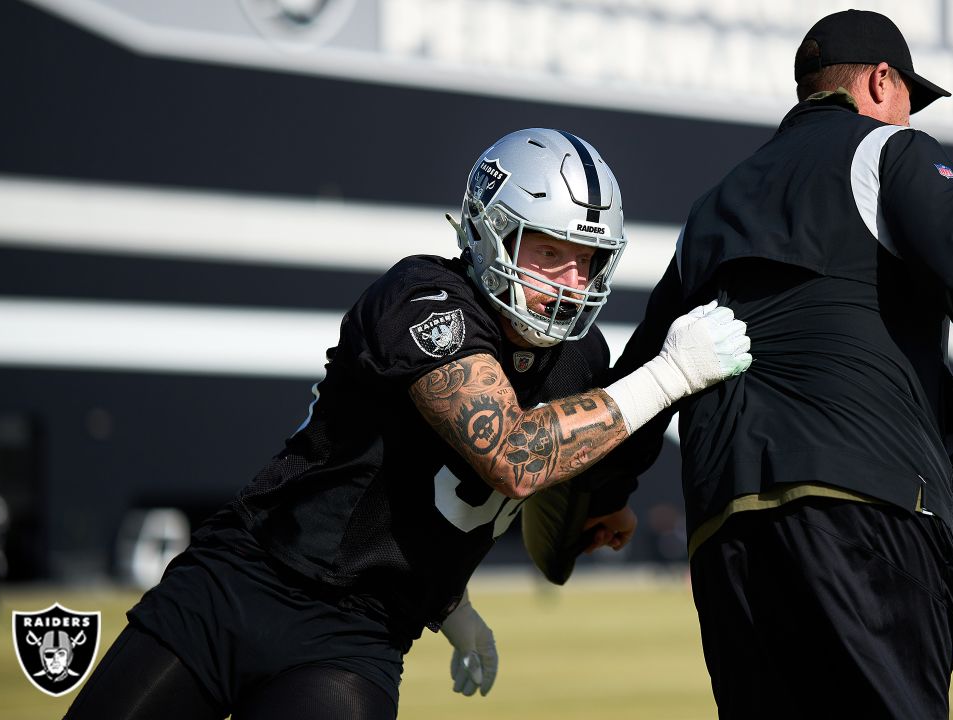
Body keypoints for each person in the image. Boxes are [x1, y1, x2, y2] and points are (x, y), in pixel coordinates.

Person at [64, 128, 752, 720]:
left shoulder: (581, 358)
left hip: (360, 635)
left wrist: (455, 597)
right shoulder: (424, 297)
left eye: (589, 259)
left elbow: (488, 493)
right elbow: (511, 454)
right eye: (548, 252)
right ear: (490, 230)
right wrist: (668, 375)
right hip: (242, 584)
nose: (572, 280)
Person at [611, 10, 953, 719]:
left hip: (729, 534)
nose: (906, 118)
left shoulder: (709, 208)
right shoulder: (886, 155)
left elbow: (648, 361)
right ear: (878, 81)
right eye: (907, 100)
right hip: (865, 515)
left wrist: (601, 494)